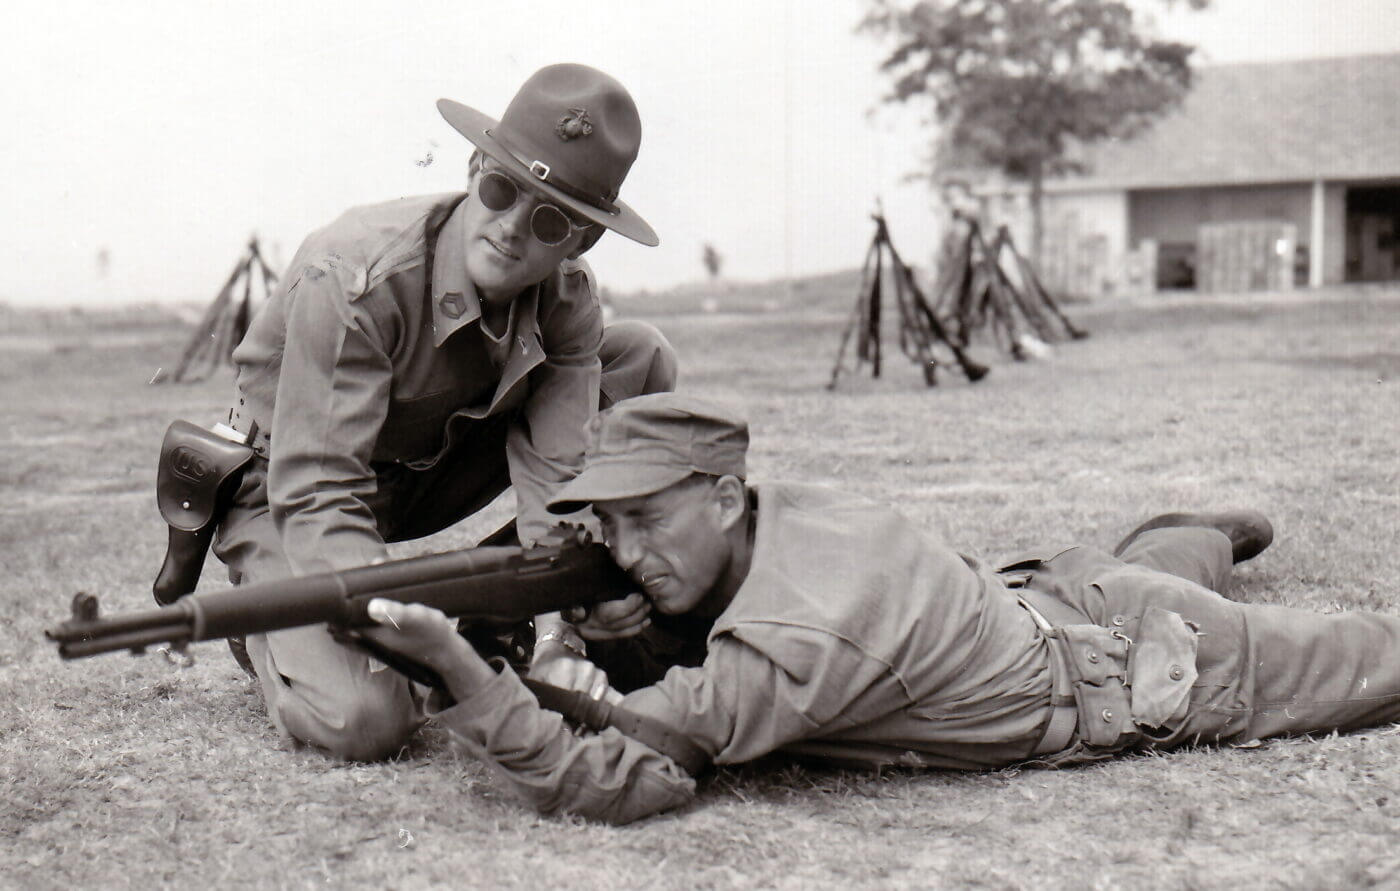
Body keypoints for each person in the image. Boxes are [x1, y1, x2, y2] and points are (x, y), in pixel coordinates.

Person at [362, 392, 1400, 824]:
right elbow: (717, 616)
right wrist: (655, 629)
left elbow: (626, 777)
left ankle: (1194, 548)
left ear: (721, 500)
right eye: (605, 527)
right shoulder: (774, 509)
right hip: (1052, 589)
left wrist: (468, 678)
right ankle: (1199, 531)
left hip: (1142, 664)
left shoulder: (798, 643)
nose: (619, 553)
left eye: (640, 522)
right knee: (1154, 562)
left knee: (1370, 658)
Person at [212, 64, 677, 761]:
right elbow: (320, 492)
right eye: (501, 189)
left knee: (638, 356)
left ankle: (505, 608)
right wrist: (393, 621)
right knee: (367, 718)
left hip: (423, 469)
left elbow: (561, 481)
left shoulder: (568, 298)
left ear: (580, 241)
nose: (513, 228)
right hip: (289, 487)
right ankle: (270, 633)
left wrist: (560, 635)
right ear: (473, 167)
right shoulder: (355, 275)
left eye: (550, 219)